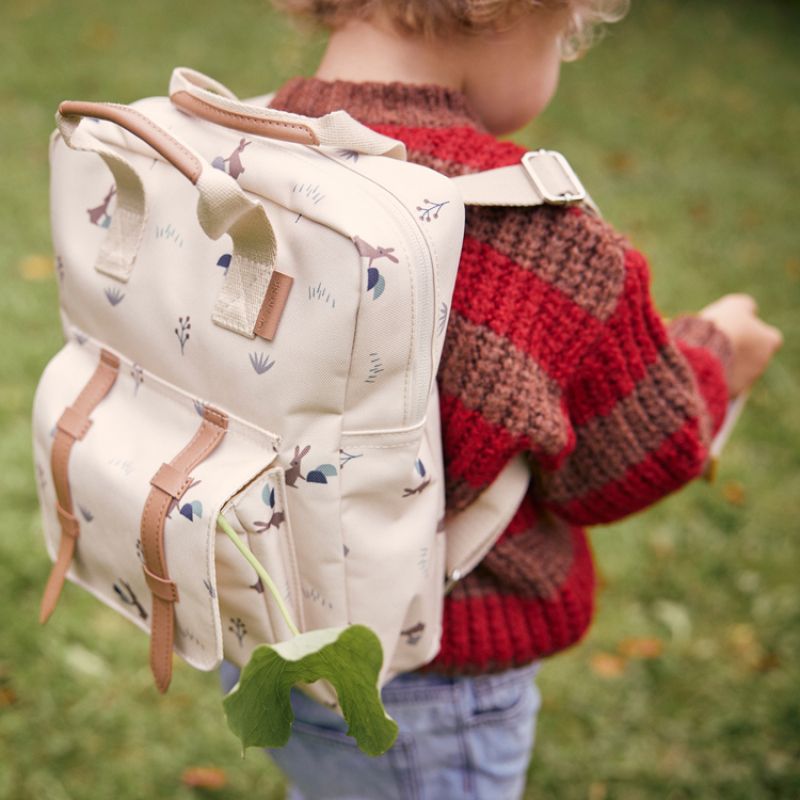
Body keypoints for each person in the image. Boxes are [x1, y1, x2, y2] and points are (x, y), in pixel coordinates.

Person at [220, 1, 783, 797]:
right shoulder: (535, 238)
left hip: (255, 614)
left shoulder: (235, 146)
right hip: (430, 678)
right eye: (569, 37)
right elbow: (623, 464)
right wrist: (720, 353)